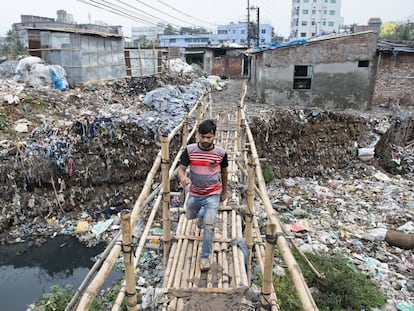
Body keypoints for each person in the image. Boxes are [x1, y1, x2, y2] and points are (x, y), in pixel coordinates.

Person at [177, 119, 228, 271]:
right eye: (203, 137)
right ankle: (201, 215)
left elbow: (224, 173)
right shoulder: (190, 150)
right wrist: (183, 177)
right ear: (198, 135)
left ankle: (205, 256)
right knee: (189, 215)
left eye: (209, 137)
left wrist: (224, 192)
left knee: (209, 226)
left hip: (212, 194)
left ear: (214, 136)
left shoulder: (221, 153)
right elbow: (181, 169)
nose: (205, 140)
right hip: (194, 192)